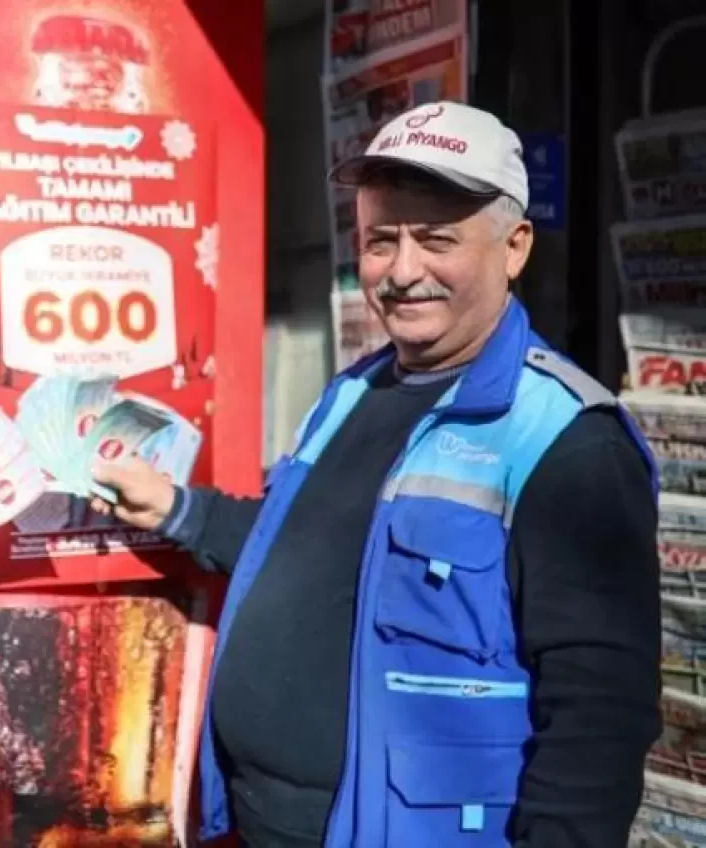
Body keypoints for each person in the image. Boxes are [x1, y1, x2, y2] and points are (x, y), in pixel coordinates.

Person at [93, 102, 662, 847]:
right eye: (380, 241)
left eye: (436, 240)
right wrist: (178, 509)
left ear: (514, 247)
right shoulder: (352, 394)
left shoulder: (568, 441)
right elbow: (301, 554)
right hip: (262, 823)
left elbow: (600, 716)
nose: (401, 271)